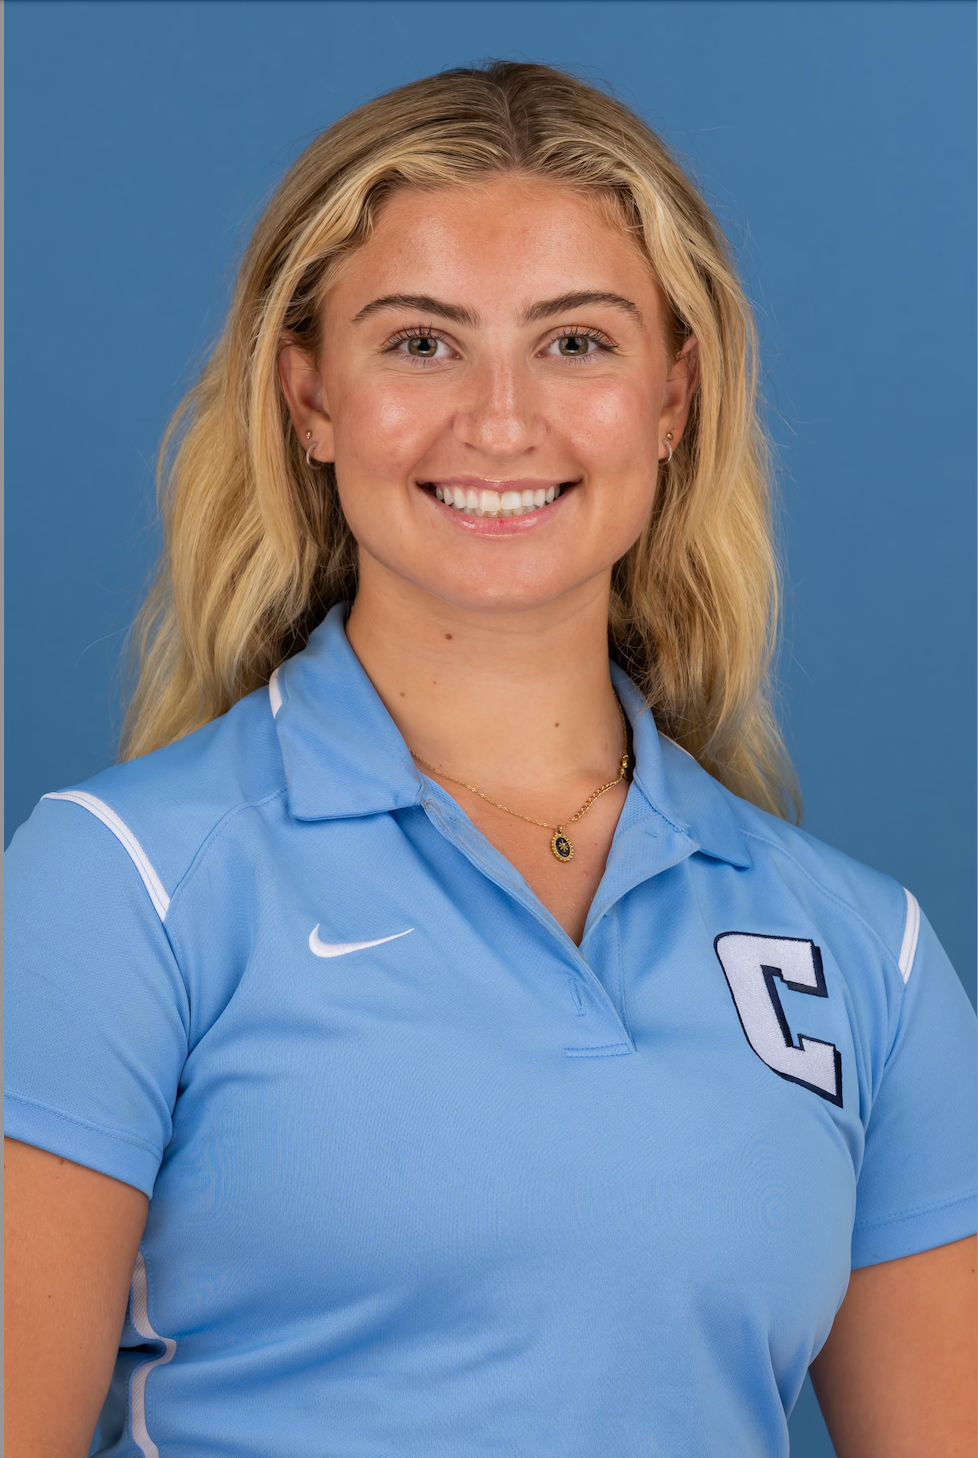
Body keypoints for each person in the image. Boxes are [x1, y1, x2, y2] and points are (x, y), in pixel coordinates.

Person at [5, 60, 975, 1458]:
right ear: (308, 395)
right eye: (419, 343)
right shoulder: (122, 885)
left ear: (671, 398)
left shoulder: (860, 952)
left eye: (576, 343)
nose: (501, 419)